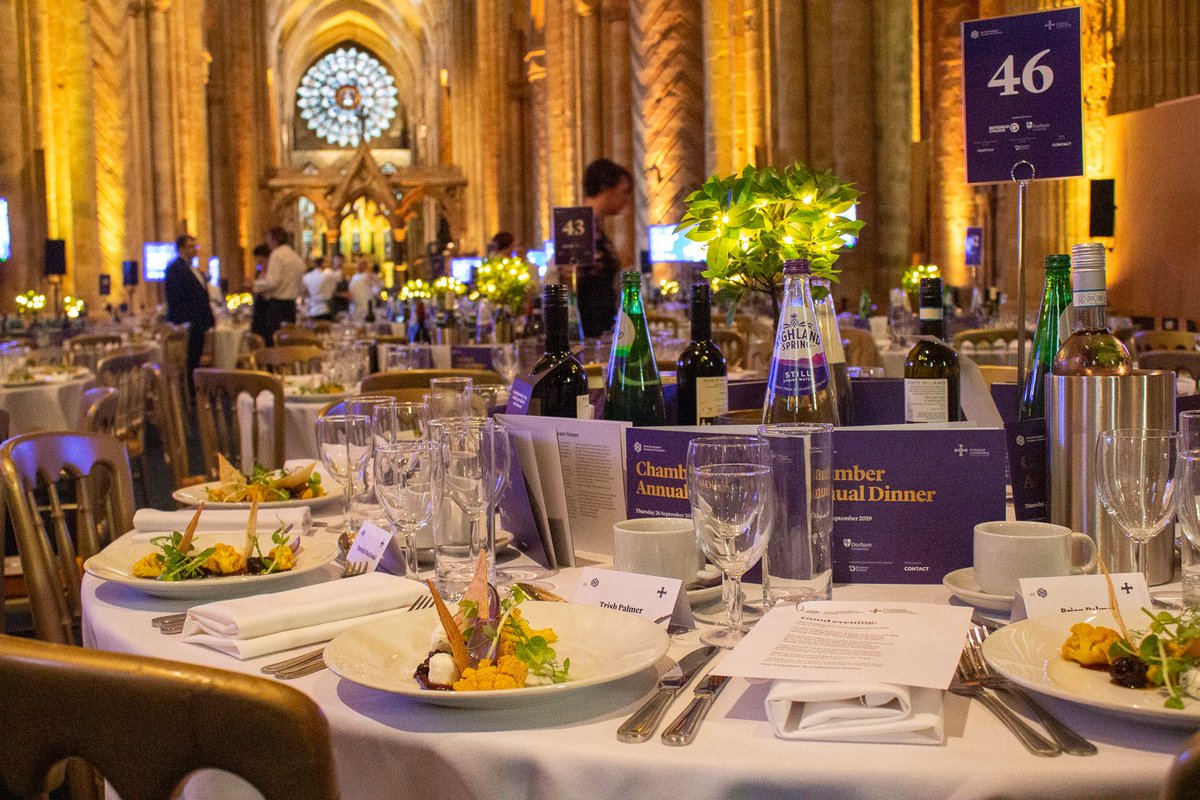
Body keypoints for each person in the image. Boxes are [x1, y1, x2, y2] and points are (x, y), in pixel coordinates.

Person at [577, 158, 633, 338]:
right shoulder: (581, 229)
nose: (627, 200)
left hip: (601, 328)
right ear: (605, 188)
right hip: (588, 332)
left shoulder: (595, 228)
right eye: (624, 191)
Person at [163, 233, 214, 390]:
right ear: (180, 248)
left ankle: (195, 388)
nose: (194, 250)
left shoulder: (191, 267)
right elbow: (175, 297)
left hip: (198, 321)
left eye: (195, 246)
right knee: (190, 358)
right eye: (190, 247)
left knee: (196, 356)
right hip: (188, 322)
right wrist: (182, 322)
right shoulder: (174, 268)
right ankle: (191, 391)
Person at [255, 226, 306, 343]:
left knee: (274, 341)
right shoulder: (295, 256)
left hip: (278, 307)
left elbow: (273, 282)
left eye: (268, 239)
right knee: (288, 341)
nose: (268, 243)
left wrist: (255, 285)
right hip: (291, 307)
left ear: (274, 239)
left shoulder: (277, 255)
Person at [301, 256, 339, 321]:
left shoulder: (306, 277)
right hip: (325, 308)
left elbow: (304, 292)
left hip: (312, 308)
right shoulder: (327, 276)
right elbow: (334, 289)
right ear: (322, 264)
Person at [249, 244, 271, 343]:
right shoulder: (259, 271)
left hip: (266, 308)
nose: (259, 263)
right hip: (259, 306)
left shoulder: (272, 272)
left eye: (261, 261)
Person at [347, 256, 380, 322]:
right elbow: (351, 290)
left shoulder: (369, 275)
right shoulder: (354, 276)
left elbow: (377, 288)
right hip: (356, 307)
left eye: (361, 264)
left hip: (366, 306)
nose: (358, 266)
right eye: (358, 264)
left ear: (365, 265)